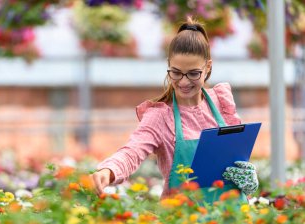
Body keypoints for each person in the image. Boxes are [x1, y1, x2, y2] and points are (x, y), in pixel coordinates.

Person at [90, 18, 259, 203]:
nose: (184, 82)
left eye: (193, 73)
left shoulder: (222, 103)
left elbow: (238, 159)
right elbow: (132, 151)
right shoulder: (161, 116)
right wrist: (109, 170)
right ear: (168, 65)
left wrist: (247, 178)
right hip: (184, 221)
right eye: (176, 73)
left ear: (208, 67)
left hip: (232, 219)